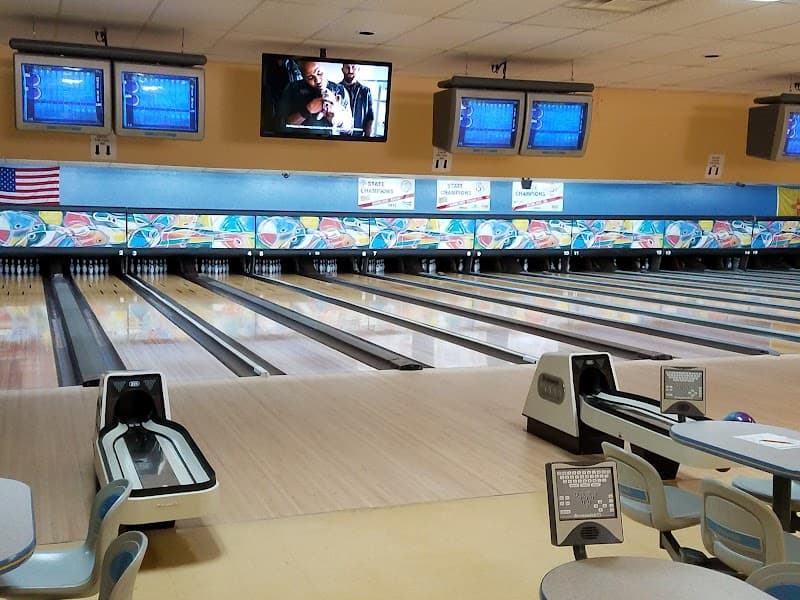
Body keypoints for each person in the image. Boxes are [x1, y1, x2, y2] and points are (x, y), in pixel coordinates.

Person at [277, 60, 353, 134]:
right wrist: (306, 111)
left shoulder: (340, 90)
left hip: (333, 144)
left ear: (323, 67)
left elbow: (350, 129)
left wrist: (339, 120)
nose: (317, 80)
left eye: (319, 73)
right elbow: (281, 126)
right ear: (303, 76)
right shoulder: (292, 89)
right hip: (302, 144)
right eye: (310, 77)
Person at [340, 63, 375, 137]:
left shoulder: (366, 91)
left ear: (358, 70)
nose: (350, 70)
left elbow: (370, 117)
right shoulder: (335, 90)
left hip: (358, 139)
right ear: (342, 70)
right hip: (337, 138)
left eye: (353, 67)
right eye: (347, 67)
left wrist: (367, 140)